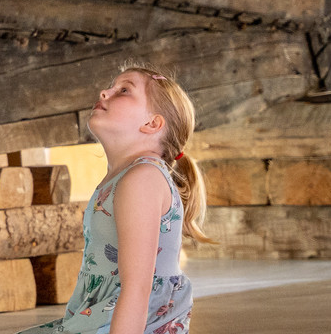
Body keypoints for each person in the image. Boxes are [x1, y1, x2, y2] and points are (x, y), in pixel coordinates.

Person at [18, 65, 209, 334]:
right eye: (112, 86)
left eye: (123, 90)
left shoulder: (141, 179)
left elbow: (137, 289)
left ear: (152, 123)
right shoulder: (125, 176)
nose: (105, 92)